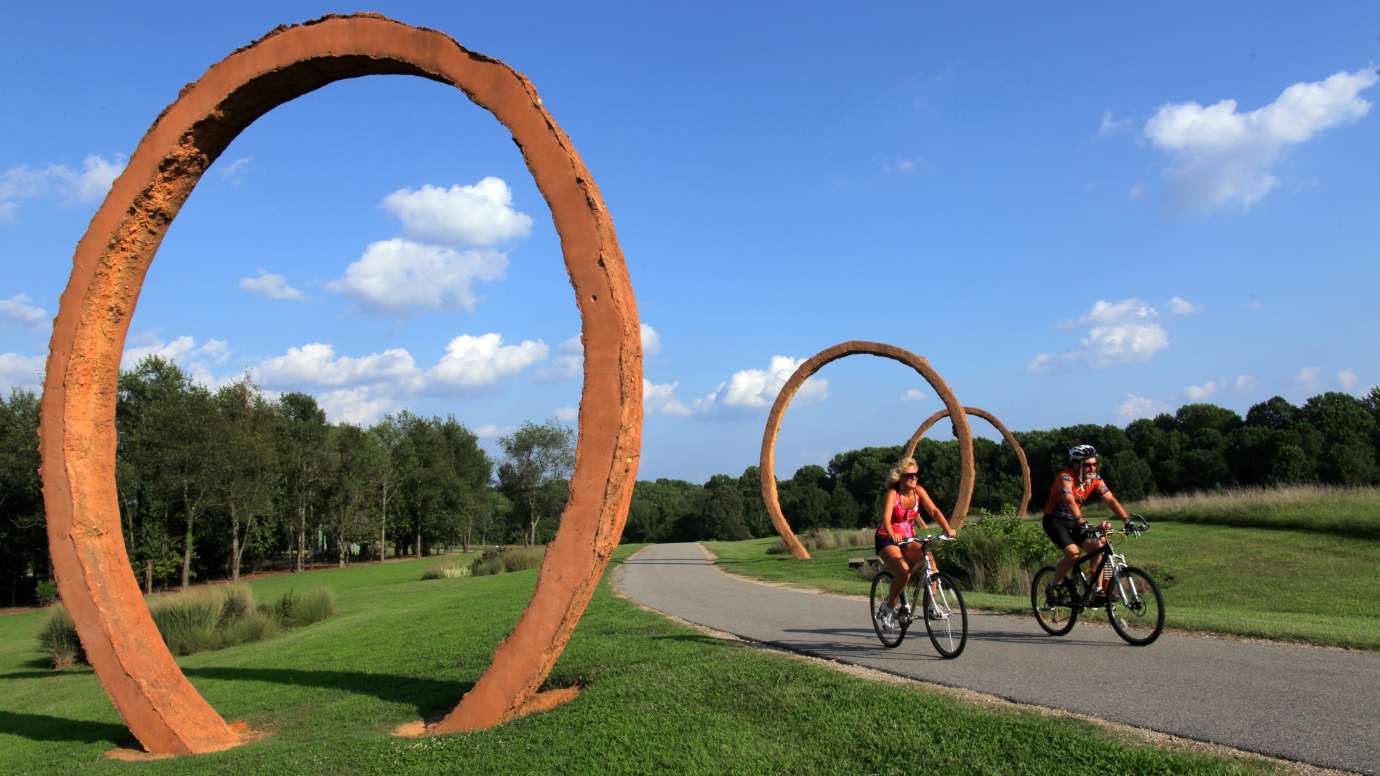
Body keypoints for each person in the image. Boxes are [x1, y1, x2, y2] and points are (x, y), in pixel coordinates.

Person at [1042, 444, 1131, 602]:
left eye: (1095, 464)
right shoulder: (1066, 477)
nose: (1093, 468)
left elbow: (1109, 499)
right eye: (1088, 465)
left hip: (1075, 521)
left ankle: (1096, 589)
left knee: (1098, 546)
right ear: (1076, 464)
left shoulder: (1095, 479)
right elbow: (1069, 500)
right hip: (1055, 521)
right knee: (1073, 553)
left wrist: (1127, 520)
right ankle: (1053, 585)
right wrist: (1082, 521)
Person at [875, 457, 955, 626]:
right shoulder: (893, 494)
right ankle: (888, 606)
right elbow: (886, 518)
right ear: (901, 477)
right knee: (904, 573)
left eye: (916, 475)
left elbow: (933, 511)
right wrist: (892, 534)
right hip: (887, 537)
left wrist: (947, 529)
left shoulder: (918, 492)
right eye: (910, 475)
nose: (914, 478)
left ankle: (931, 605)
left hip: (908, 537)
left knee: (930, 561)